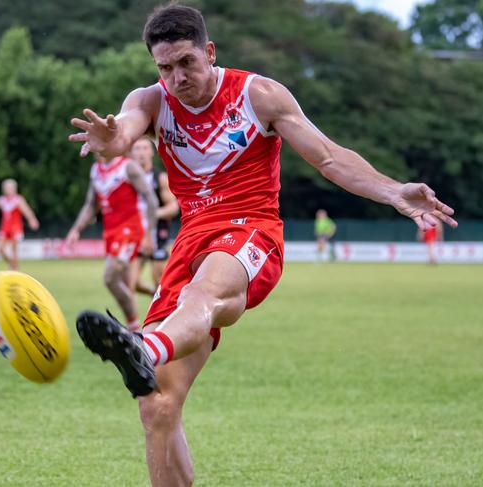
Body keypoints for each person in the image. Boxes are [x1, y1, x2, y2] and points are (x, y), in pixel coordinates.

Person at [68, 5, 458, 486]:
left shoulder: (260, 95)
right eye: (164, 67)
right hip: (190, 239)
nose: (176, 77)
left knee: (203, 297)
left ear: (209, 52)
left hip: (250, 230)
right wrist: (111, 140)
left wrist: (395, 191)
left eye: (186, 62)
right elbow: (123, 130)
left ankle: (145, 346)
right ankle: (148, 354)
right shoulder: (151, 100)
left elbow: (329, 158)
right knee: (157, 404)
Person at [65, 155, 157, 331]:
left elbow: (150, 199)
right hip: (111, 232)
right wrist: (76, 229)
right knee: (126, 283)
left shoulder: (128, 167)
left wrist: (149, 233)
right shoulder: (96, 170)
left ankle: (134, 328)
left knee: (110, 277)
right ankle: (135, 331)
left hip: (129, 229)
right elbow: (91, 205)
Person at [129, 136, 179, 292]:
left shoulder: (160, 178)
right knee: (132, 283)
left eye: (144, 148)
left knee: (159, 280)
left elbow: (174, 207)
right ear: (131, 153)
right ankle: (155, 297)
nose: (141, 153)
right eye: (137, 149)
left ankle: (164, 305)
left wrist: (153, 214)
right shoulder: (127, 179)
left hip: (157, 233)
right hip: (135, 234)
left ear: (151, 152)